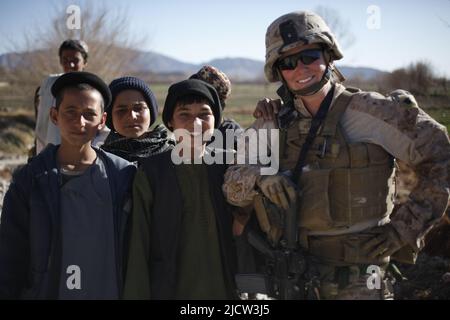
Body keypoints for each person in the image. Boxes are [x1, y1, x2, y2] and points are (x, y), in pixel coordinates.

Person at [222, 11, 450, 300]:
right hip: (293, 277)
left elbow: (441, 154)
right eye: (288, 62)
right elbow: (231, 183)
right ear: (278, 72)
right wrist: (260, 178)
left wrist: (403, 228)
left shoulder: (371, 112)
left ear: (328, 56)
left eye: (310, 56)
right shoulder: (272, 121)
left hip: (360, 283)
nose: (300, 68)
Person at [0, 71, 136, 299]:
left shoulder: (122, 175)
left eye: (88, 114)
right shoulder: (30, 180)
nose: (79, 122)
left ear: (102, 121)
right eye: (70, 112)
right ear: (54, 115)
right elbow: (10, 255)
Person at [123, 79, 237, 299]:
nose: (195, 123)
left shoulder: (232, 166)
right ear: (171, 122)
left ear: (216, 120)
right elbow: (139, 243)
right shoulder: (152, 172)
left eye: (204, 114)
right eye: (184, 115)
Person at [34, 39, 109, 154]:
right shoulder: (49, 85)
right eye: (65, 60)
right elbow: (41, 125)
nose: (70, 65)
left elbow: (104, 131)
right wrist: (41, 156)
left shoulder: (93, 89)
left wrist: (90, 151)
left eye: (75, 60)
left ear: (85, 62)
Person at [101, 76, 175, 164]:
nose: (132, 116)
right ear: (109, 116)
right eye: (122, 110)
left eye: (138, 108)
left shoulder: (172, 155)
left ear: (151, 112)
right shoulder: (100, 160)